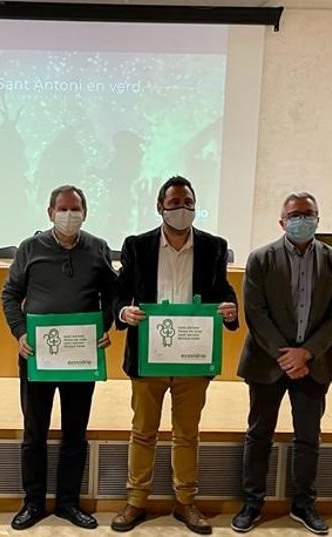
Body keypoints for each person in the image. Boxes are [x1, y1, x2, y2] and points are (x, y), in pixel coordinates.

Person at [109, 176, 239, 535]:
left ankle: (185, 502)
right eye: (174, 203)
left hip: (193, 358)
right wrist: (122, 312)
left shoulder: (214, 247)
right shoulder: (137, 246)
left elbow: (223, 289)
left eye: (188, 203)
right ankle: (136, 501)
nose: (182, 209)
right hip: (147, 357)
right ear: (160, 207)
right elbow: (120, 291)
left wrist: (230, 309)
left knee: (187, 434)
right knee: (143, 431)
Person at [1, 185, 118, 531]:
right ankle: (33, 502)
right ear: (50, 213)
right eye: (63, 209)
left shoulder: (98, 248)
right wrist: (20, 332)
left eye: (75, 209)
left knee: (75, 434)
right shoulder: (30, 248)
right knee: (34, 433)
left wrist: (105, 325)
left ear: (85, 212)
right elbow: (10, 294)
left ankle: (68, 503)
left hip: (81, 357)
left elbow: (112, 294)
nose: (69, 215)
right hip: (37, 356)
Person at [234, 192, 332, 535]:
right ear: (282, 222)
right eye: (295, 215)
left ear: (318, 218)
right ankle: (252, 503)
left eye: (308, 214)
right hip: (267, 362)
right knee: (259, 433)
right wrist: (286, 356)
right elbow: (255, 312)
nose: (302, 220)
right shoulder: (260, 258)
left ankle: (303, 503)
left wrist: (307, 352)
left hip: (315, 363)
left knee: (308, 436)